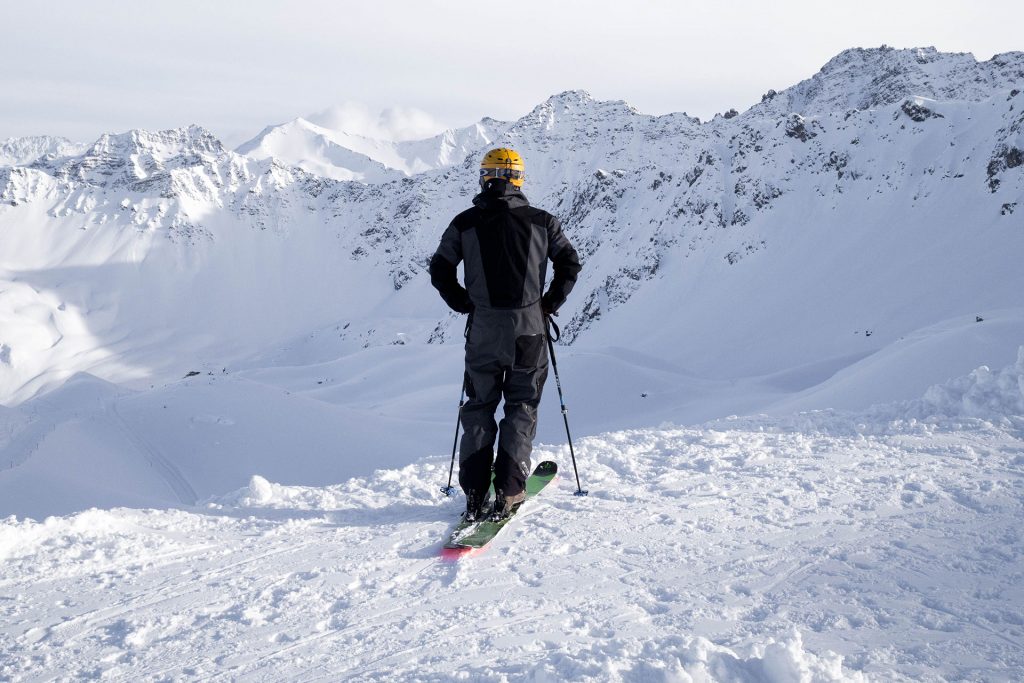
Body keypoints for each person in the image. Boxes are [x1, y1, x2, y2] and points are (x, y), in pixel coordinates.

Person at [430, 148, 582, 521]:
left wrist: (464, 303)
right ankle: (510, 490)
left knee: (480, 405)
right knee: (521, 405)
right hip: (529, 330)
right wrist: (548, 304)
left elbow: (439, 269)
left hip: (483, 330)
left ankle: (475, 491)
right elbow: (570, 263)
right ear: (519, 179)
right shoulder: (544, 222)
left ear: (485, 177)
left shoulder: (464, 223)